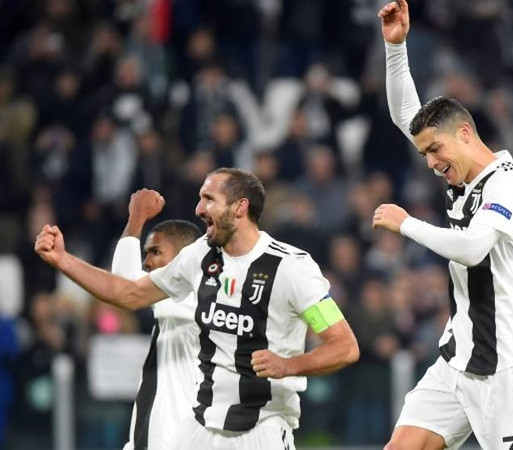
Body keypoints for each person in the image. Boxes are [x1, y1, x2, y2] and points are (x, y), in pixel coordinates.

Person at [35, 168, 360, 449]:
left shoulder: (292, 269)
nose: (199, 208)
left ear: (239, 207)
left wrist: (289, 365)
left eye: (208, 199)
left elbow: (344, 347)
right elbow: (129, 292)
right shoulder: (200, 257)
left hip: (261, 429)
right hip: (201, 428)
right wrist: (63, 260)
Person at [373, 1, 513, 448]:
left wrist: (406, 223)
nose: (431, 163)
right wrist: (396, 49)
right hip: (457, 360)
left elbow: (473, 248)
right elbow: (405, 117)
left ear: (465, 134)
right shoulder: (463, 181)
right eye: (425, 154)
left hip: (510, 367)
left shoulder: (512, 183)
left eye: (436, 150)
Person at [111, 189, 203, 450]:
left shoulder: (190, 294)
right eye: (146, 253)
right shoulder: (174, 310)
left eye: (155, 252)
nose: (147, 262)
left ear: (184, 259)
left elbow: (123, 284)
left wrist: (137, 218)